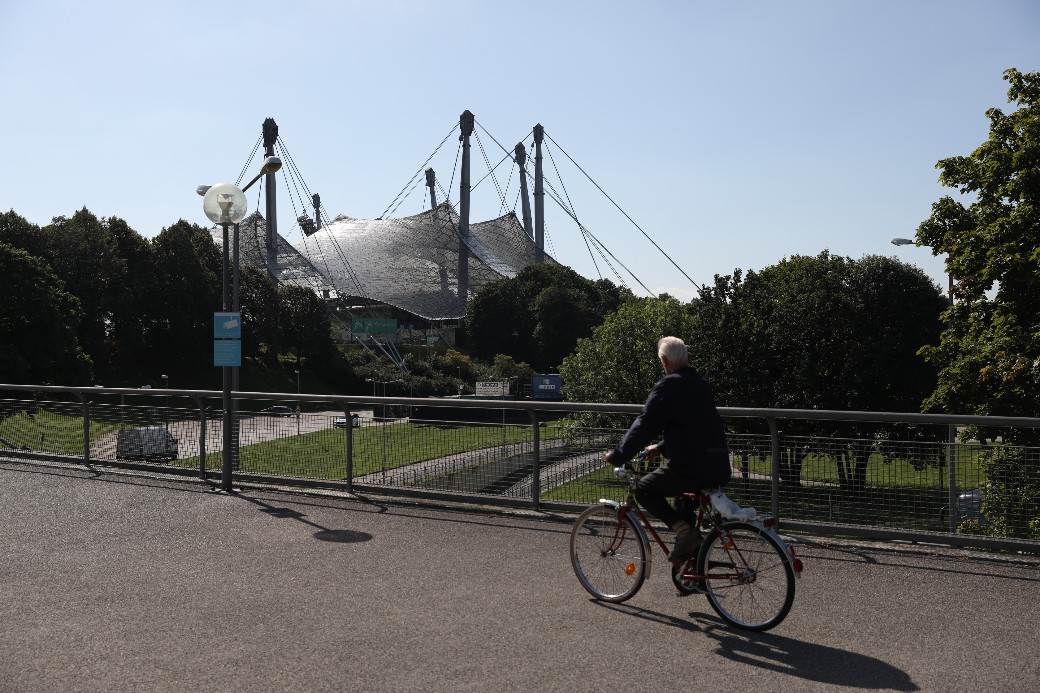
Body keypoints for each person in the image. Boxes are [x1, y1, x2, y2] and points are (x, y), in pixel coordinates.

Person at [604, 336, 731, 563]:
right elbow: (695, 427)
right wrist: (661, 447)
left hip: (691, 467)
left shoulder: (670, 385)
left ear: (664, 360)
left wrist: (618, 455)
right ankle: (691, 569)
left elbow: (645, 424)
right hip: (718, 464)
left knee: (643, 489)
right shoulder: (700, 383)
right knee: (683, 503)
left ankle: (686, 534)